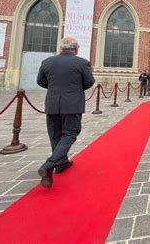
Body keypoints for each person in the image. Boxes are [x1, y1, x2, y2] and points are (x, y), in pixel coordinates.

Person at [36, 36, 95, 188]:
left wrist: (56, 89)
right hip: (72, 104)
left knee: (55, 134)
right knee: (70, 133)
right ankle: (49, 164)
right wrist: (74, 90)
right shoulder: (82, 62)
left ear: (62, 47)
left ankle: (61, 163)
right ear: (75, 49)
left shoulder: (47, 62)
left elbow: (41, 81)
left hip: (52, 103)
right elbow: (89, 82)